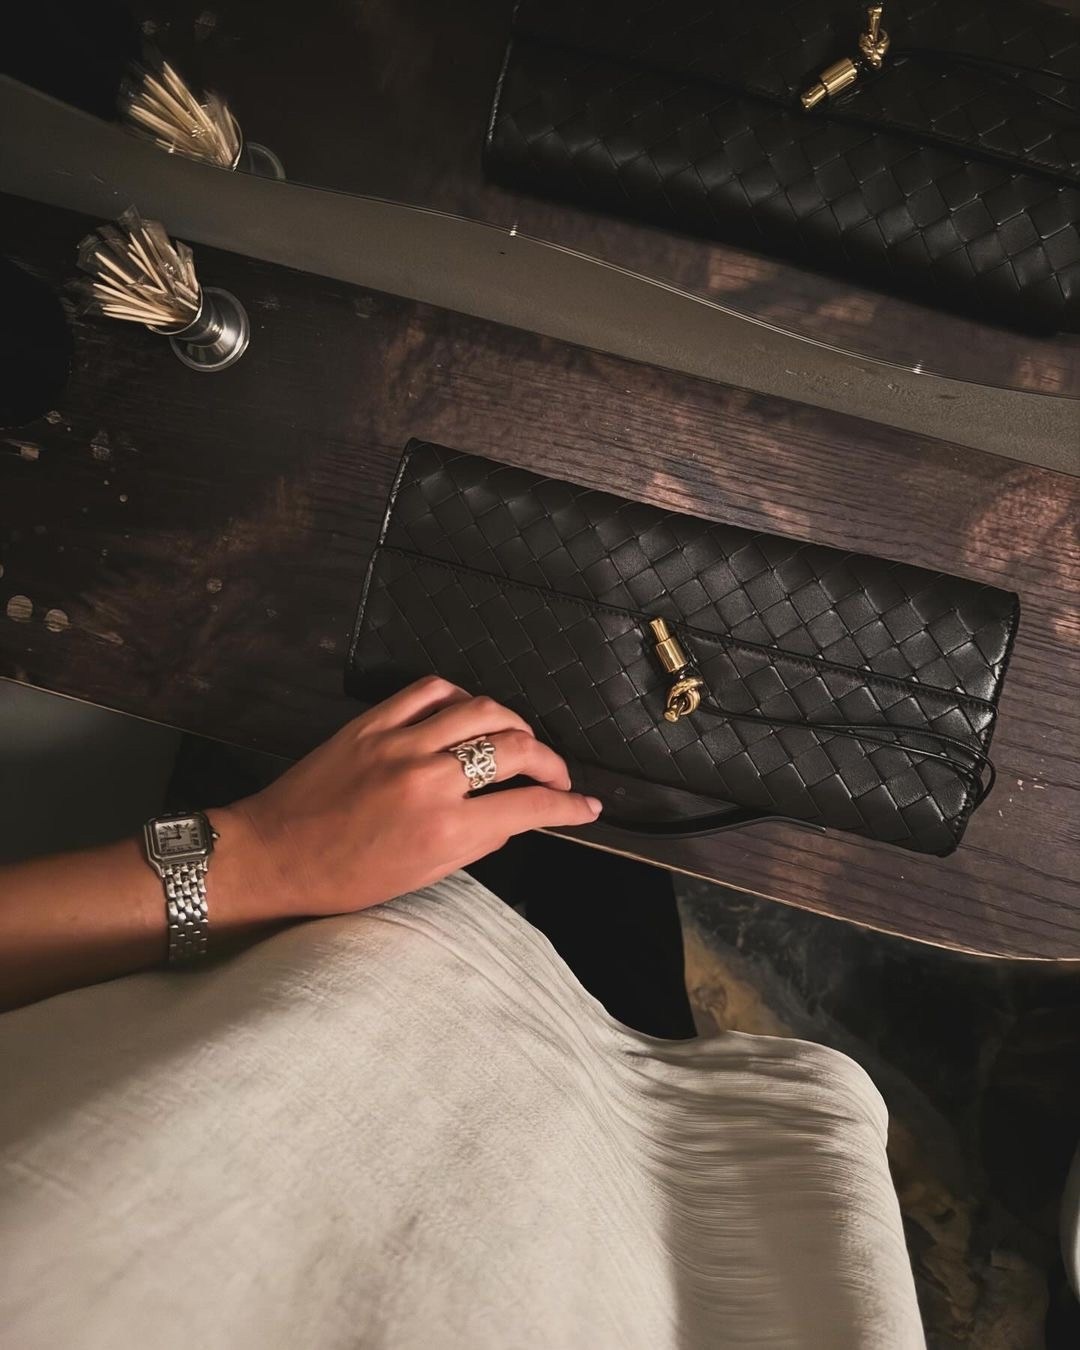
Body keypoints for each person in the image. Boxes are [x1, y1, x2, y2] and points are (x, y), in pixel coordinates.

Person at [0, 677, 925, 1348]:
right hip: (608, 1224)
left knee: (566, 823)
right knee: (604, 894)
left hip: (262, 1009)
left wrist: (260, 858)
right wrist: (257, 855)